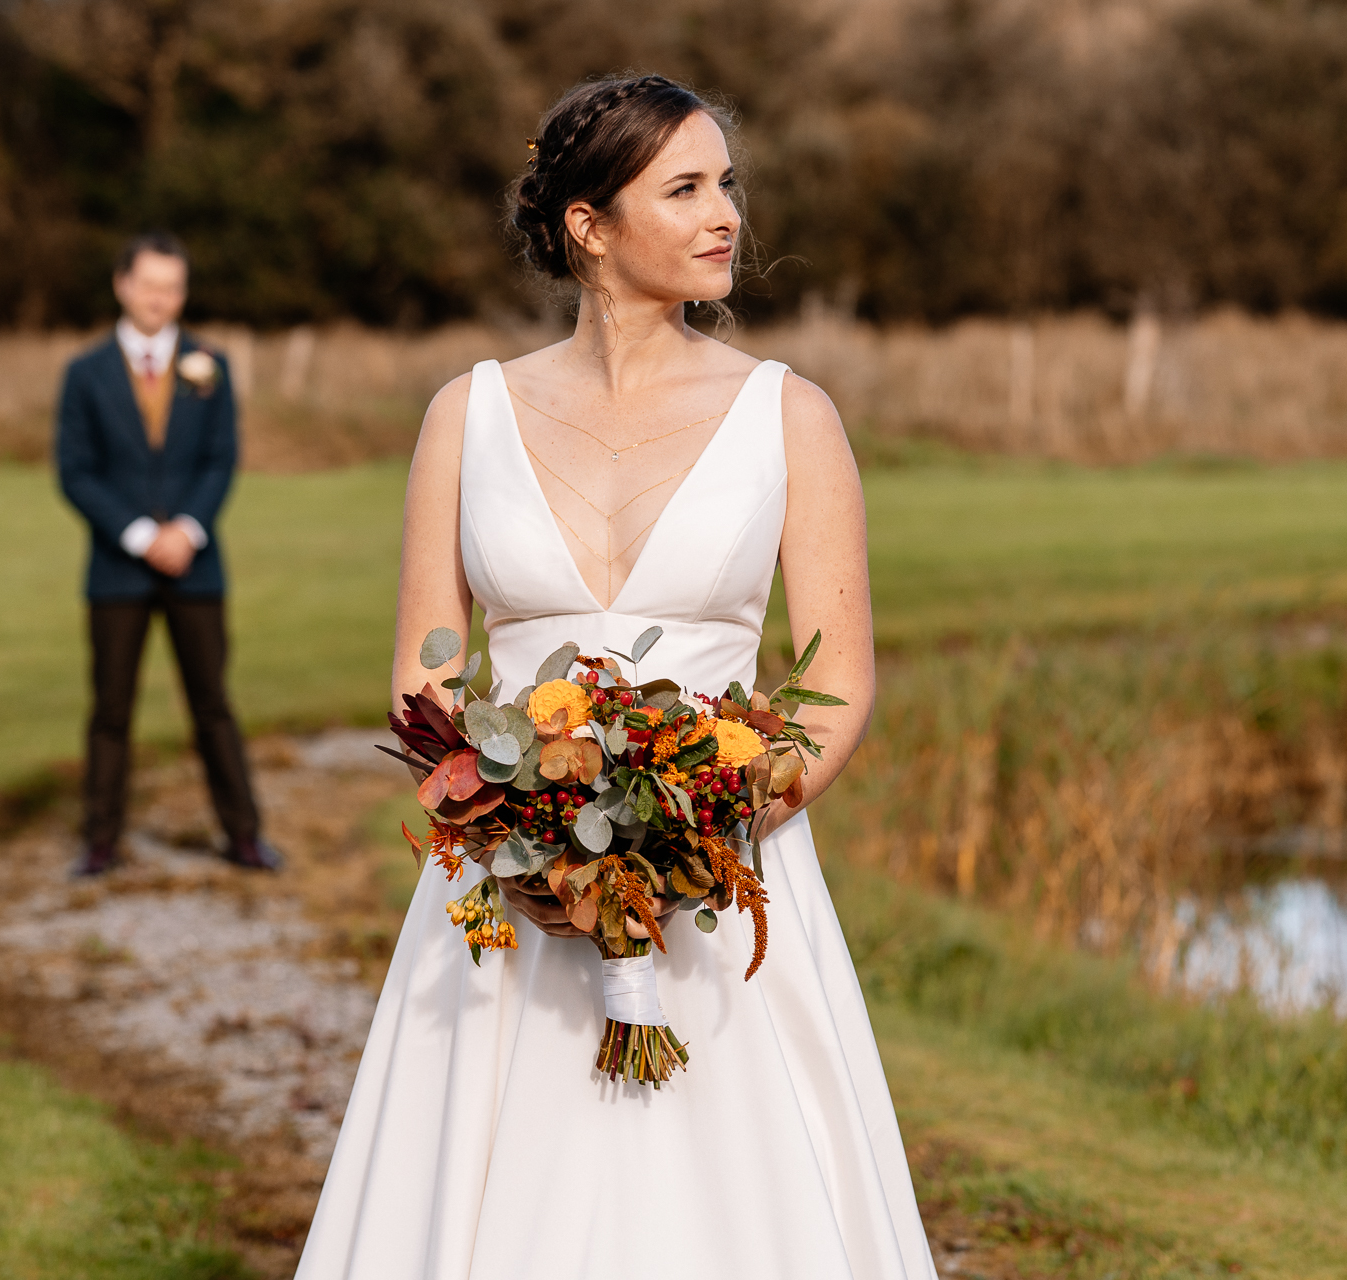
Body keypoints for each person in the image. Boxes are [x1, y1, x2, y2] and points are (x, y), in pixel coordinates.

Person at [295, 76, 937, 1278]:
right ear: (588, 225)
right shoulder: (466, 414)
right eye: (686, 188)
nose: (727, 216)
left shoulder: (791, 417)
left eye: (727, 186)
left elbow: (838, 673)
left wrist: (708, 826)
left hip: (722, 887)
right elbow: (427, 680)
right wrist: (522, 839)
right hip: (511, 895)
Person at [53, 232, 282, 877]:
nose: (161, 298)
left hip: (196, 564)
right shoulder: (85, 373)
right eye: (150, 284)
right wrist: (138, 536)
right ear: (123, 285)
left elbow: (220, 459)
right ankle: (100, 840)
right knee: (110, 710)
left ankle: (243, 835)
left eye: (173, 286)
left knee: (213, 705)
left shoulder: (210, 363)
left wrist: (185, 529)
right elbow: (75, 472)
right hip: (116, 571)